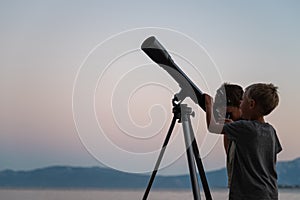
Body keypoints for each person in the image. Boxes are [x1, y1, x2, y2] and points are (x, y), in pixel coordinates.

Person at [205, 83, 282, 200]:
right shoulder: (271, 130)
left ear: (251, 104)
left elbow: (212, 127)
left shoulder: (245, 128)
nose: (241, 103)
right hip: (269, 193)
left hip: (248, 194)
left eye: (243, 100)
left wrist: (208, 104)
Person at [213, 83, 243, 188]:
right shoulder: (232, 128)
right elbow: (229, 157)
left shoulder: (248, 128)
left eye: (228, 113)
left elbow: (211, 127)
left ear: (240, 105)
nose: (227, 117)